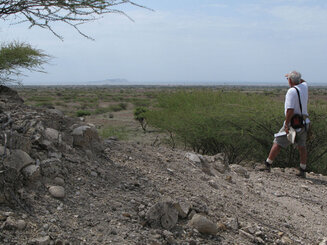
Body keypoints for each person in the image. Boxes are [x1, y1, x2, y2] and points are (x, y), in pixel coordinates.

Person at [263, 71, 310, 178]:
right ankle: (302, 170)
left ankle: (267, 164)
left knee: (278, 142)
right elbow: (304, 82)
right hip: (304, 122)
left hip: (293, 123)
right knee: (302, 146)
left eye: (287, 79)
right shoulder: (304, 87)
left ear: (290, 80)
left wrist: (286, 124)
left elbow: (290, 110)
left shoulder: (291, 91)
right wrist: (298, 79)